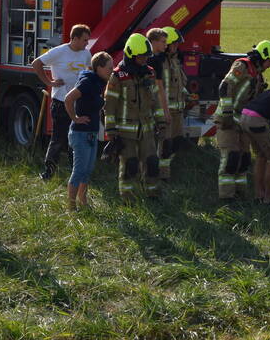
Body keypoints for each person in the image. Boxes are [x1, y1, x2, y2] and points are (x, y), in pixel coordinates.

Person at [214, 41, 270, 200]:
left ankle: (240, 194)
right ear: (262, 56)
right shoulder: (242, 66)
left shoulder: (258, 75)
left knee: (244, 159)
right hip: (227, 120)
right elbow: (225, 87)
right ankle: (227, 197)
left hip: (243, 123)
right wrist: (227, 113)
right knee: (230, 158)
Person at [103, 34, 166, 201]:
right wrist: (111, 130)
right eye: (141, 56)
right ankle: (128, 200)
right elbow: (110, 105)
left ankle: (153, 196)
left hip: (147, 130)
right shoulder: (118, 76)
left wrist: (161, 121)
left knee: (152, 163)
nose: (145, 59)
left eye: (146, 56)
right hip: (125, 133)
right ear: (130, 55)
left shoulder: (149, 73)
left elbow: (155, 100)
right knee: (129, 166)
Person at [32, 24, 92, 180]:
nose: (87, 43)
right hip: (60, 102)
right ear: (75, 38)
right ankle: (48, 172)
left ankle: (76, 172)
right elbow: (36, 63)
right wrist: (49, 82)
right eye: (85, 40)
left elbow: (90, 71)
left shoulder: (86, 53)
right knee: (58, 138)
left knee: (77, 139)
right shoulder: (59, 52)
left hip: (78, 102)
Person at [63, 51, 113, 210]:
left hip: (91, 133)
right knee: (79, 171)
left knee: (88, 170)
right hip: (80, 133)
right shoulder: (87, 82)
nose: (111, 71)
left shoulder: (98, 82)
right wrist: (75, 118)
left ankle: (83, 201)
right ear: (99, 67)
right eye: (109, 68)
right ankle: (71, 207)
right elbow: (68, 99)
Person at [156, 26, 189, 179]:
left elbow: (180, 84)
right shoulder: (159, 62)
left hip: (178, 111)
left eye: (177, 44)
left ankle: (166, 169)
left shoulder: (175, 61)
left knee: (177, 142)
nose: (176, 46)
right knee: (165, 145)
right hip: (165, 111)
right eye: (173, 43)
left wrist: (187, 96)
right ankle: (162, 175)